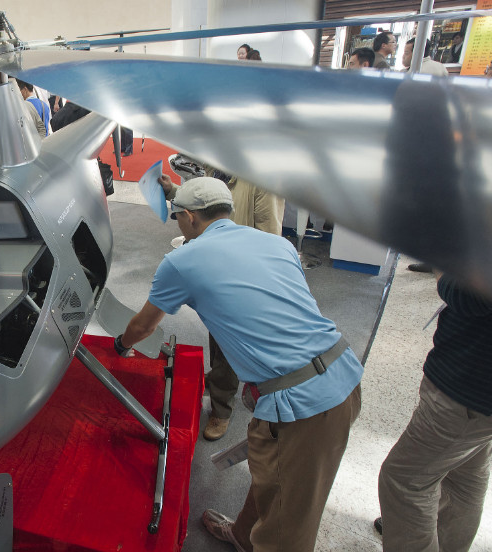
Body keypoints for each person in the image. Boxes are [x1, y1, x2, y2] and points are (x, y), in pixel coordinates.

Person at [115, 177, 363, 551]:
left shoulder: (181, 262)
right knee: (276, 477)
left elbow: (144, 325)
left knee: (287, 530)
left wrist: (120, 346)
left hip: (303, 408)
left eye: (177, 218)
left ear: (191, 218)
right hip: (342, 370)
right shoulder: (276, 244)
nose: (178, 225)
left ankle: (261, 540)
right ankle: (244, 535)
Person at [376, 277, 492, 551]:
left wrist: (443, 264)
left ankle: (415, 533)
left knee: (404, 481)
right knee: (464, 474)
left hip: (470, 391)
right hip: (485, 397)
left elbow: (469, 294)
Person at [158, 170, 285, 441]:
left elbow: (270, 235)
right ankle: (218, 381)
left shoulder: (262, 181)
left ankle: (222, 409)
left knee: (230, 347)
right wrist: (173, 192)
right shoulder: (218, 167)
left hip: (241, 275)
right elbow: (209, 203)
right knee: (217, 339)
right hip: (216, 267)